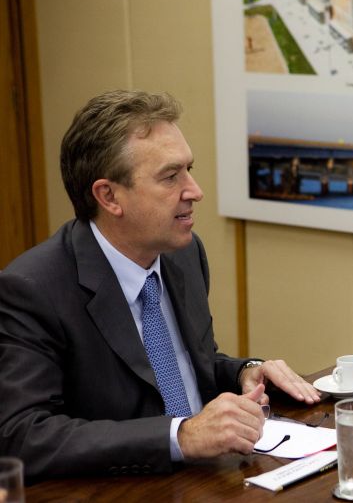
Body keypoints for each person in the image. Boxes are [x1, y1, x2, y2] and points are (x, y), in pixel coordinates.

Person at [0, 90, 321, 483]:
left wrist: (244, 373)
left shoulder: (183, 254)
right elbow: (23, 436)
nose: (195, 191)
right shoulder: (33, 289)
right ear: (109, 196)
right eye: (171, 177)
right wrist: (179, 436)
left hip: (209, 481)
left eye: (189, 169)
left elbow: (184, 366)